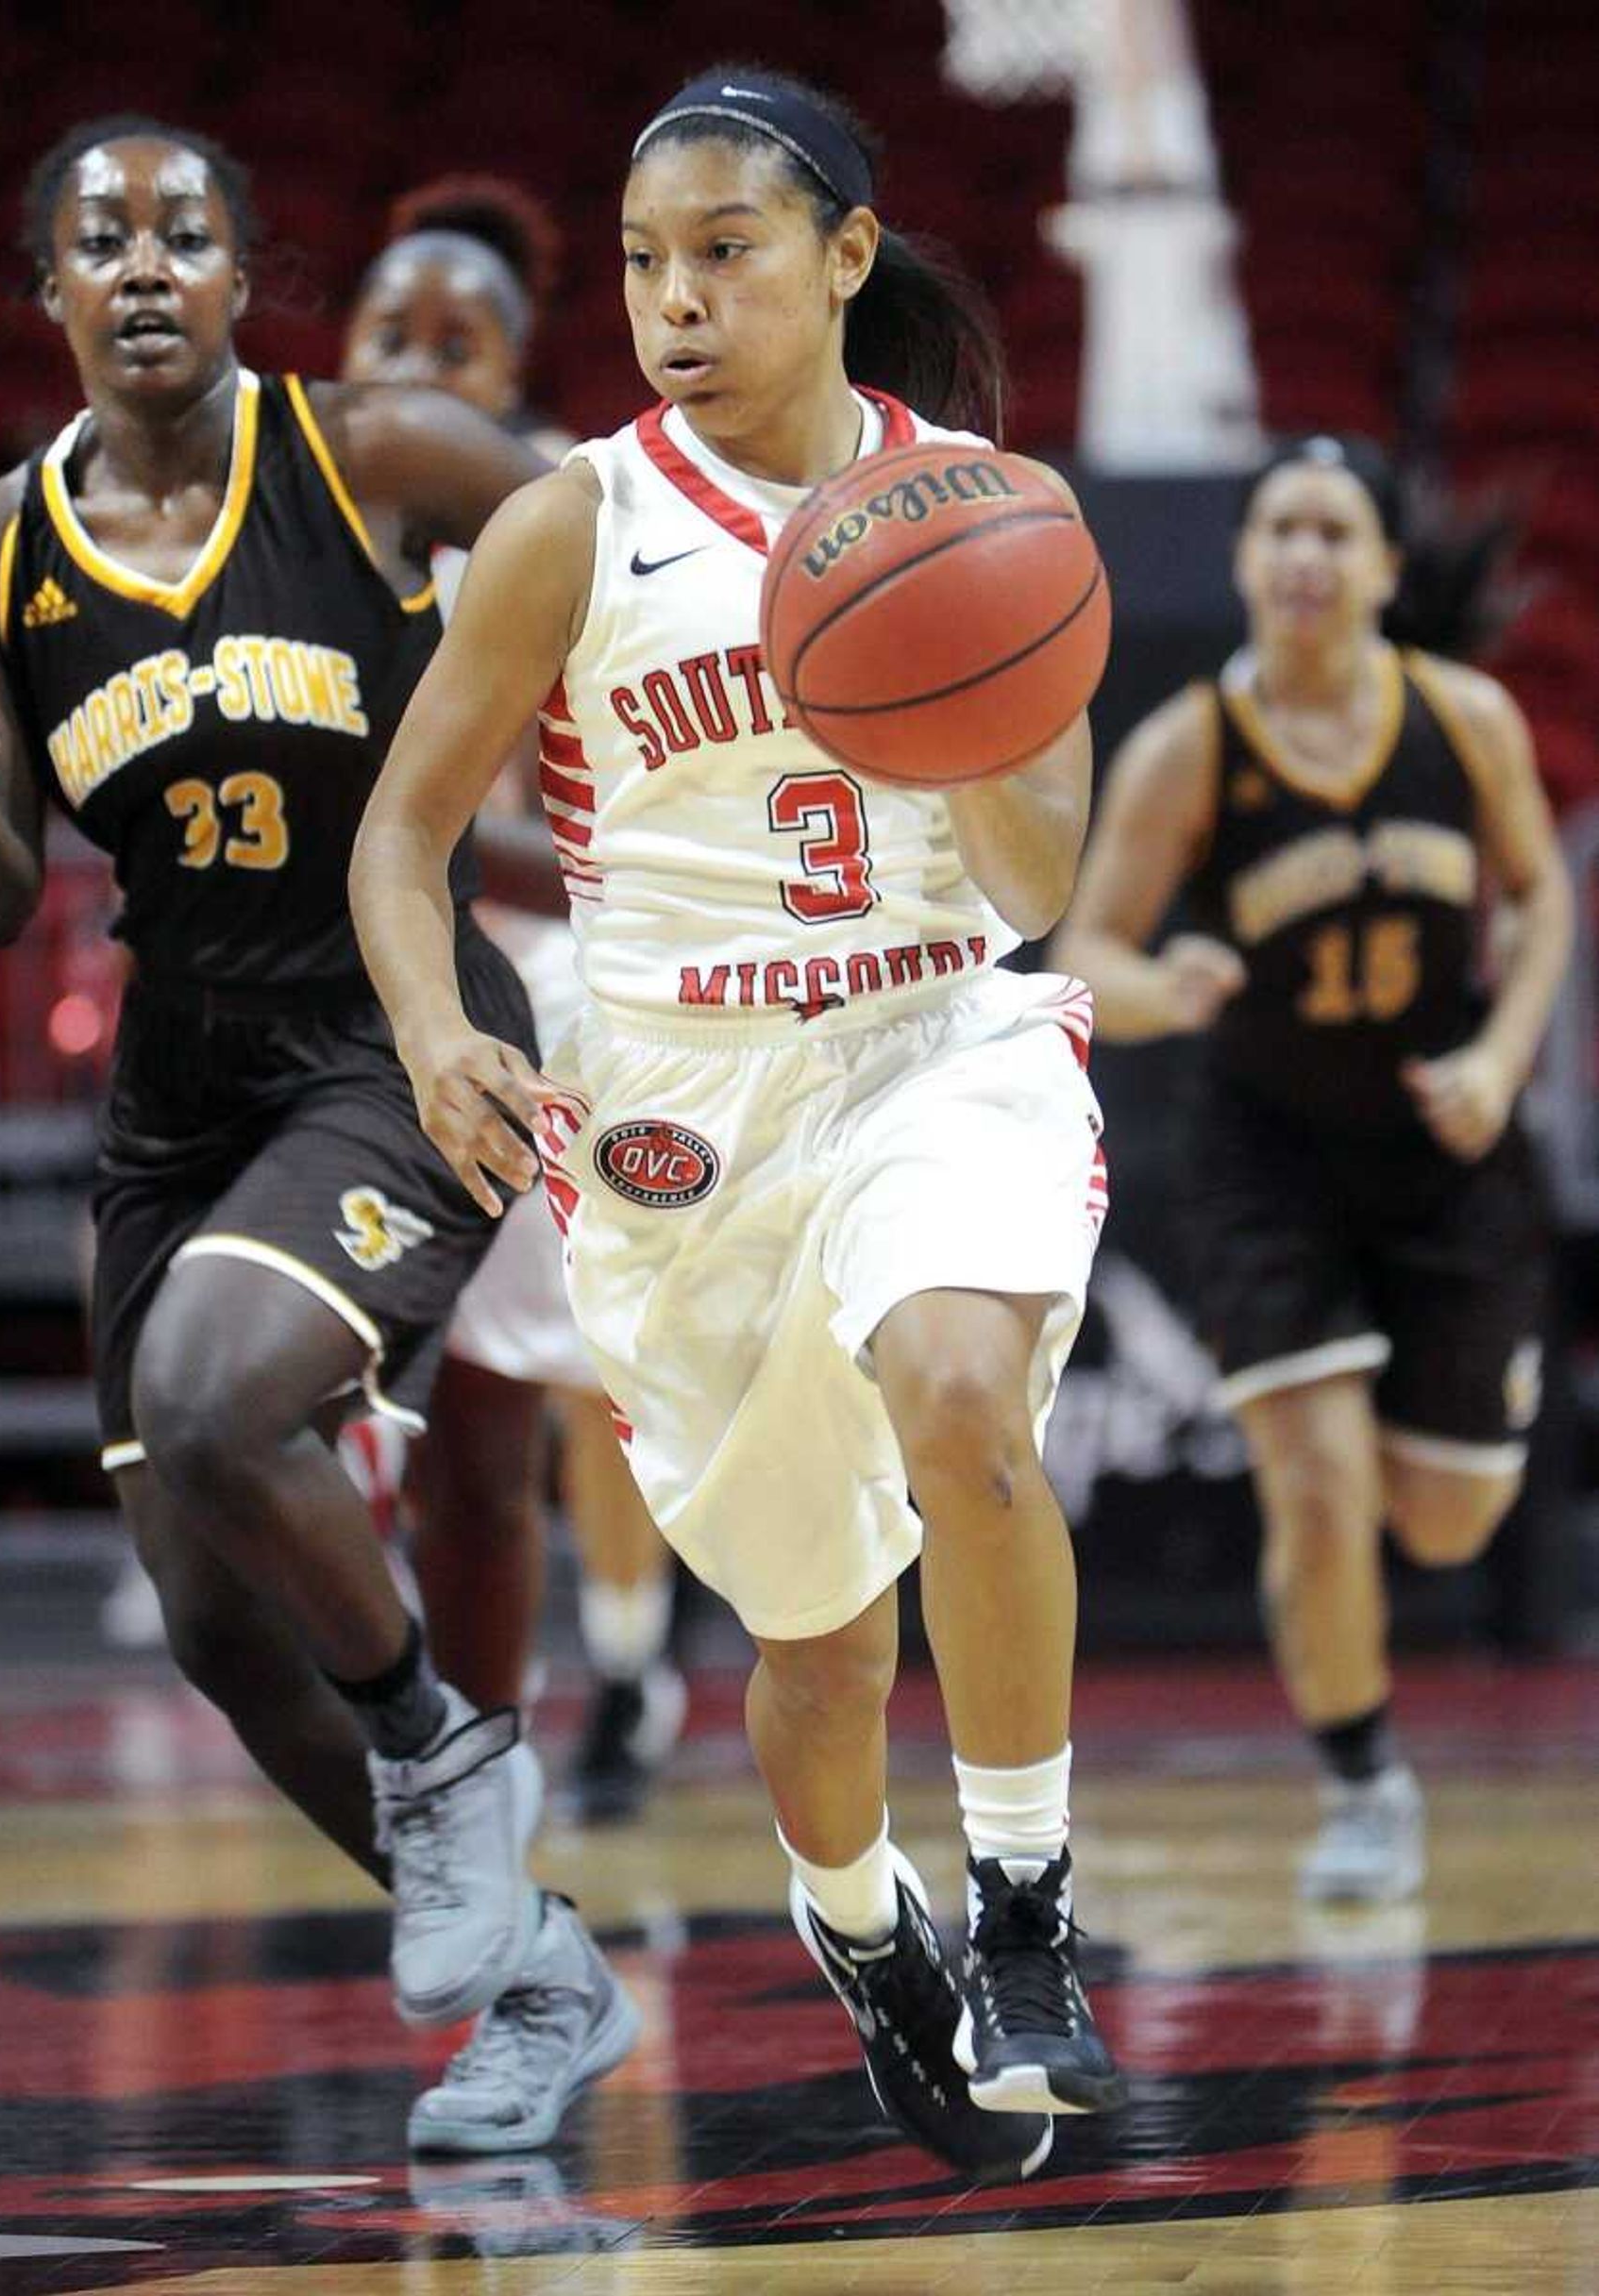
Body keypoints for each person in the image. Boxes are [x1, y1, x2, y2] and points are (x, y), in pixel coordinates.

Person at [351, 65, 1129, 2177]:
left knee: (966, 1402)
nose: (673, 300)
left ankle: (1030, 1907)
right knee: (815, 1637)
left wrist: (957, 687)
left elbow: (1039, 881)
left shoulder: (987, 508)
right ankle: (867, 1924)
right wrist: (435, 1029)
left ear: (846, 258)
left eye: (726, 252)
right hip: (682, 1101)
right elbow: (401, 834)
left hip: (932, 1032)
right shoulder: (570, 522)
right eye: (641, 265)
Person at [0, 115, 636, 2152]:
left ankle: (446, 1752)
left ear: (241, 279)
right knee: (220, 1614)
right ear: (49, 291)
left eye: (185, 233)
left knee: (227, 1398)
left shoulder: (365, 455)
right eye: (100, 238)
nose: (143, 264)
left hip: (394, 1026)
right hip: (184, 1087)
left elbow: (612, 513)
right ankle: (545, 1977)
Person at [1052, 434, 1572, 1903]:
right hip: (1265, 1154)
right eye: (1280, 526)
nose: (1303, 555)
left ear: (1385, 571)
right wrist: (1172, 985)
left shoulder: (1462, 719)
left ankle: (1376, 1710)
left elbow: (1538, 901)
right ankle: (1361, 1780)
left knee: (1446, 1516)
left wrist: (1501, 1058)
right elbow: (1091, 947)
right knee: (1320, 1485)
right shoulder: (1191, 748)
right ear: (1242, 559)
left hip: (1447, 1146)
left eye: (1335, 532)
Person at [343, 175, 688, 1820]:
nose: (417, 358)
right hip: (376, 989)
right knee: (448, 1402)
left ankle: (623, 1665)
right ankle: (453, 1713)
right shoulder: (302, 516)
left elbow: (589, 821)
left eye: (454, 338)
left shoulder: (558, 513)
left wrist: (444, 844)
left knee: (573, 1374)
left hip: (555, 978)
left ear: (511, 363)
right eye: (388, 329)